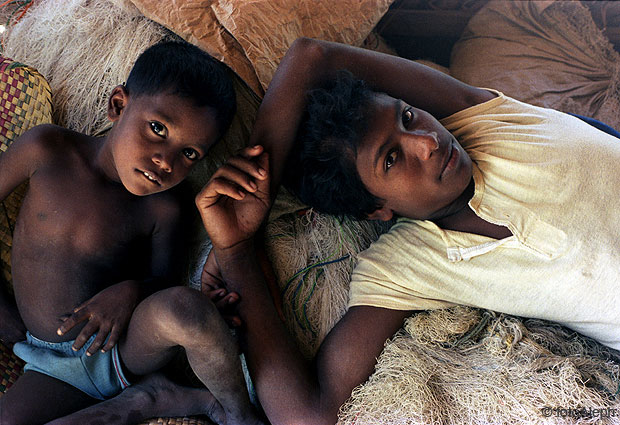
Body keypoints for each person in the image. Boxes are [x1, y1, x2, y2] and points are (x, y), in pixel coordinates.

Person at [194, 36, 620, 425]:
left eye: (409, 116)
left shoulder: (484, 120)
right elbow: (307, 417)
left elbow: (312, 56)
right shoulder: (405, 267)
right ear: (376, 209)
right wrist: (235, 250)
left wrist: (256, 183)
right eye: (392, 159)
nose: (427, 141)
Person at [0, 41, 264, 425]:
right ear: (118, 105)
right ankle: (153, 400)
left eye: (190, 154)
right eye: (158, 129)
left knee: (185, 310)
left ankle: (236, 411)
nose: (166, 161)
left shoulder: (165, 206)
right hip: (48, 363)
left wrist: (131, 292)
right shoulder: (46, 149)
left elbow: (166, 280)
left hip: (124, 349)